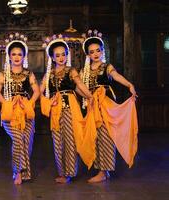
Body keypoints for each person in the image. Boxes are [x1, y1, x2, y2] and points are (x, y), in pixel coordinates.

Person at [80, 29, 138, 183]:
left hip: (105, 106)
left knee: (106, 138)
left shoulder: (107, 67)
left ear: (102, 51)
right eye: (92, 52)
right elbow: (78, 87)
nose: (95, 54)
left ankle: (104, 171)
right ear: (88, 55)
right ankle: (101, 170)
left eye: (98, 50)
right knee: (95, 138)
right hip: (92, 107)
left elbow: (117, 76)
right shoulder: (84, 71)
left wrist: (129, 85)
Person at [40, 34, 93, 183]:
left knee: (70, 141)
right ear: (53, 57)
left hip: (70, 109)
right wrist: (47, 102)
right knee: (57, 141)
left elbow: (79, 86)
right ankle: (62, 172)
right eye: (57, 55)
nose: (61, 57)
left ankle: (69, 173)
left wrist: (90, 97)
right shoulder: (49, 74)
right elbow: (40, 90)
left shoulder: (71, 71)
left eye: (63, 54)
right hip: (56, 110)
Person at [0, 33, 40, 185]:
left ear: (24, 56)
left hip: (25, 111)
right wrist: (7, 103)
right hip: (10, 112)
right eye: (13, 54)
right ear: (9, 56)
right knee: (19, 139)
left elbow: (37, 91)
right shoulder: (3, 74)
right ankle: (17, 172)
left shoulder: (29, 74)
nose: (16, 57)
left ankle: (23, 172)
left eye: (19, 54)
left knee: (27, 140)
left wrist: (29, 103)